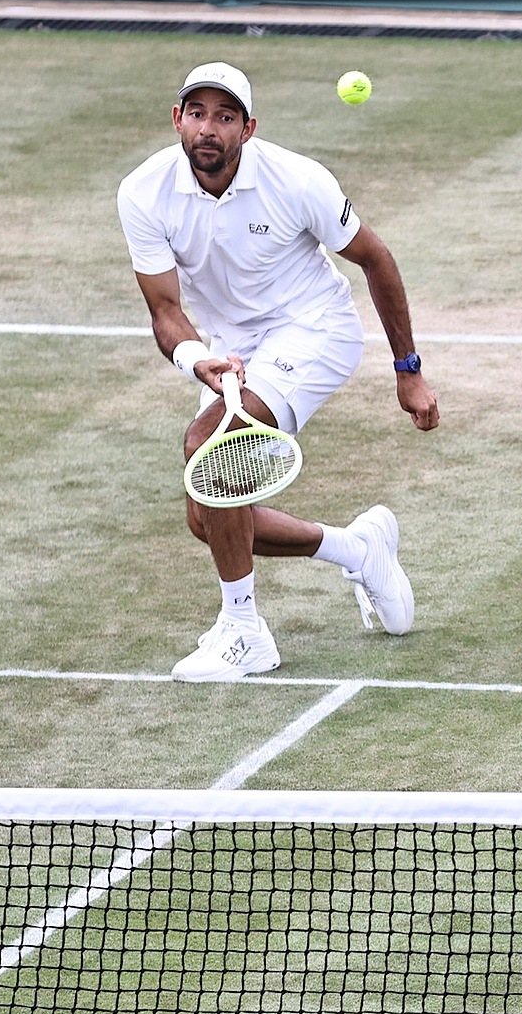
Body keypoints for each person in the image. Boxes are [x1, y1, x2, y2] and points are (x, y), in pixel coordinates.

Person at [117, 62, 440, 682]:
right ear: (177, 120)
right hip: (235, 347)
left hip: (314, 329)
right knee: (206, 514)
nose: (208, 128)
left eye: (225, 117)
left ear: (248, 128)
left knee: (207, 446)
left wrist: (409, 370)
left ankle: (245, 632)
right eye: (197, 113)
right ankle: (356, 549)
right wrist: (196, 359)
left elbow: (375, 258)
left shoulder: (297, 180)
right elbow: (165, 311)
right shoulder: (143, 192)